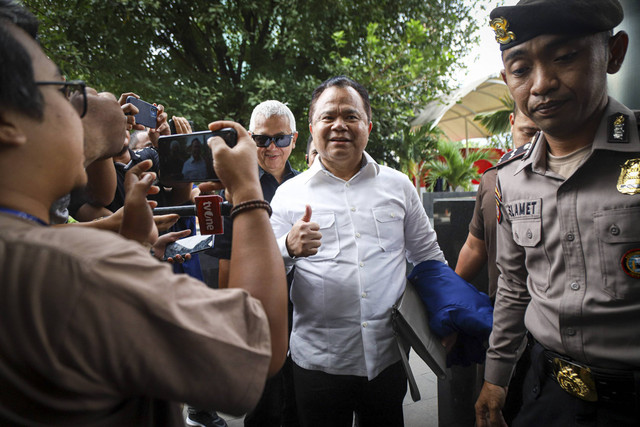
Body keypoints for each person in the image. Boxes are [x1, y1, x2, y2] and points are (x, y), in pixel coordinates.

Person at [0, 3, 287, 425]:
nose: (81, 102)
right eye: (63, 90)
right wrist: (246, 191)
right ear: (8, 124)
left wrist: (131, 245)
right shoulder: (82, 271)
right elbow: (261, 343)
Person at [475, 1, 640, 426]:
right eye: (520, 68)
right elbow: (514, 285)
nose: (542, 83)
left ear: (614, 53)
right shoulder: (509, 179)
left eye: (565, 57)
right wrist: (496, 379)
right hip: (547, 396)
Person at [269, 76, 447, 426]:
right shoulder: (288, 194)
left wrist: (447, 318)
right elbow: (261, 271)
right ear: (311, 127)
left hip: (387, 358)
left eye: (350, 116)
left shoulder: (398, 186)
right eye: (328, 117)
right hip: (318, 363)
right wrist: (287, 247)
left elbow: (428, 258)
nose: (339, 125)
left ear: (367, 125)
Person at [195, 100, 300, 427]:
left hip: (304, 310)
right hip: (256, 309)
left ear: (294, 140)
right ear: (250, 139)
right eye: (261, 139)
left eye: (280, 139)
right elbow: (218, 255)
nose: (271, 147)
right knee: (264, 406)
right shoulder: (227, 186)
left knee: (298, 405)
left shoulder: (306, 186)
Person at [456, 107, 539, 301]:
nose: (537, 145)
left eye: (547, 134)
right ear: (512, 122)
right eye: (529, 133)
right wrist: (452, 296)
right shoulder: (492, 179)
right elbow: (475, 247)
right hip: (504, 314)